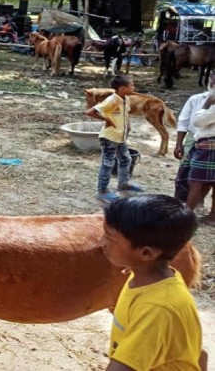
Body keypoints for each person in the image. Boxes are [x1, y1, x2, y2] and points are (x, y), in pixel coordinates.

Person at [100, 195, 207, 371]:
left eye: (110, 239)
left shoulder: (158, 307)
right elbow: (200, 355)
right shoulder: (146, 277)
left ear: (146, 254)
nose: (101, 243)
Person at [85, 75, 145, 203]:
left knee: (125, 159)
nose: (134, 87)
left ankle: (123, 184)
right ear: (123, 88)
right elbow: (90, 112)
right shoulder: (112, 100)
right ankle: (102, 191)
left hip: (120, 136)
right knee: (108, 163)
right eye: (132, 85)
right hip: (109, 137)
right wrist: (107, 120)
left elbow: (126, 113)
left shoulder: (126, 99)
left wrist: (128, 126)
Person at [174, 85, 210, 202]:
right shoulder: (196, 99)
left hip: (210, 143)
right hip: (193, 137)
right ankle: (179, 200)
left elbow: (199, 120)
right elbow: (183, 121)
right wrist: (179, 144)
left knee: (206, 175)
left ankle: (198, 201)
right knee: (184, 170)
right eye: (213, 80)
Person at [185, 90, 215, 223]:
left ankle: (186, 217)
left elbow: (198, 121)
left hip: (209, 148)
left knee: (195, 182)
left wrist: (207, 103)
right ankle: (213, 217)